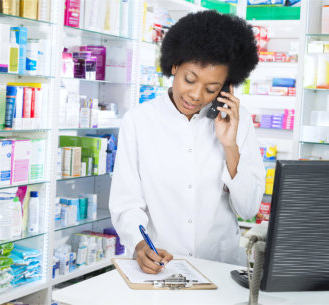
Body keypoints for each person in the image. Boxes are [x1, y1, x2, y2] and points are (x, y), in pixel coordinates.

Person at [109, 10, 266, 274]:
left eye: (211, 88)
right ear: (174, 66)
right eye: (189, 80)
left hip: (220, 269)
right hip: (161, 270)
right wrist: (139, 245)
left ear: (226, 87)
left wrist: (230, 147)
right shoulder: (139, 121)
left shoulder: (237, 121)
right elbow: (126, 203)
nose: (195, 95)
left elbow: (249, 209)